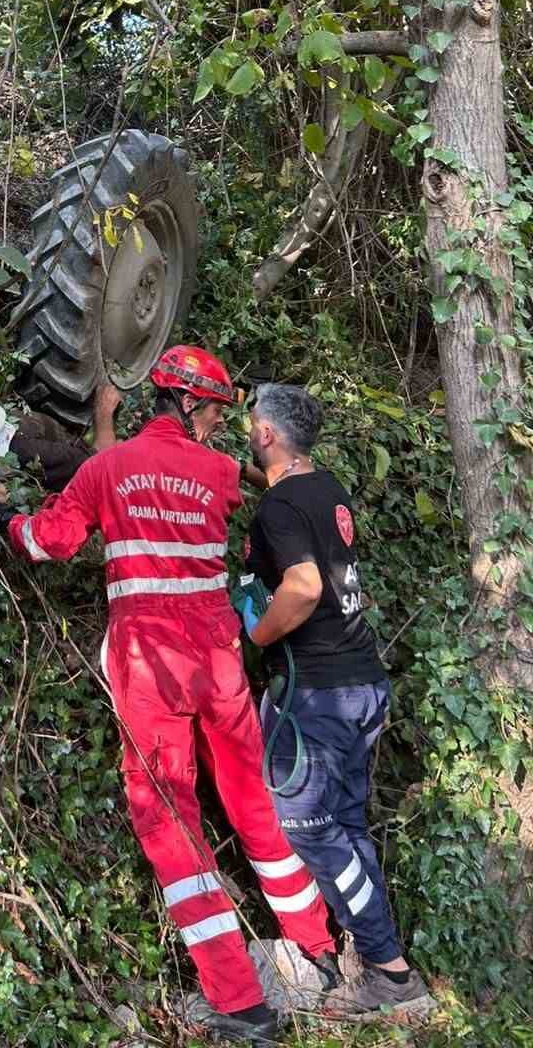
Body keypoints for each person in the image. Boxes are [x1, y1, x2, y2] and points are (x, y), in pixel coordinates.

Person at [0, 347, 336, 1045]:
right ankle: (317, 948)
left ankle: (240, 1002)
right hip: (217, 664)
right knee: (250, 803)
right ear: (189, 404)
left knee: (168, 819)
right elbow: (167, 481)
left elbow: (50, 541)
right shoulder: (217, 474)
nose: (216, 423)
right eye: (211, 410)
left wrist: (2, 514)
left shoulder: (105, 469)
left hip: (150, 669)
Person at [241, 384, 430, 1017]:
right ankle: (380, 958)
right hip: (362, 682)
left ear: (267, 434)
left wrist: (256, 635)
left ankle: (390, 970)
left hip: (316, 694)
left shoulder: (280, 507)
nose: (245, 429)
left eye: (251, 422)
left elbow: (302, 585)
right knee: (347, 823)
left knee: (309, 826)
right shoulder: (328, 490)